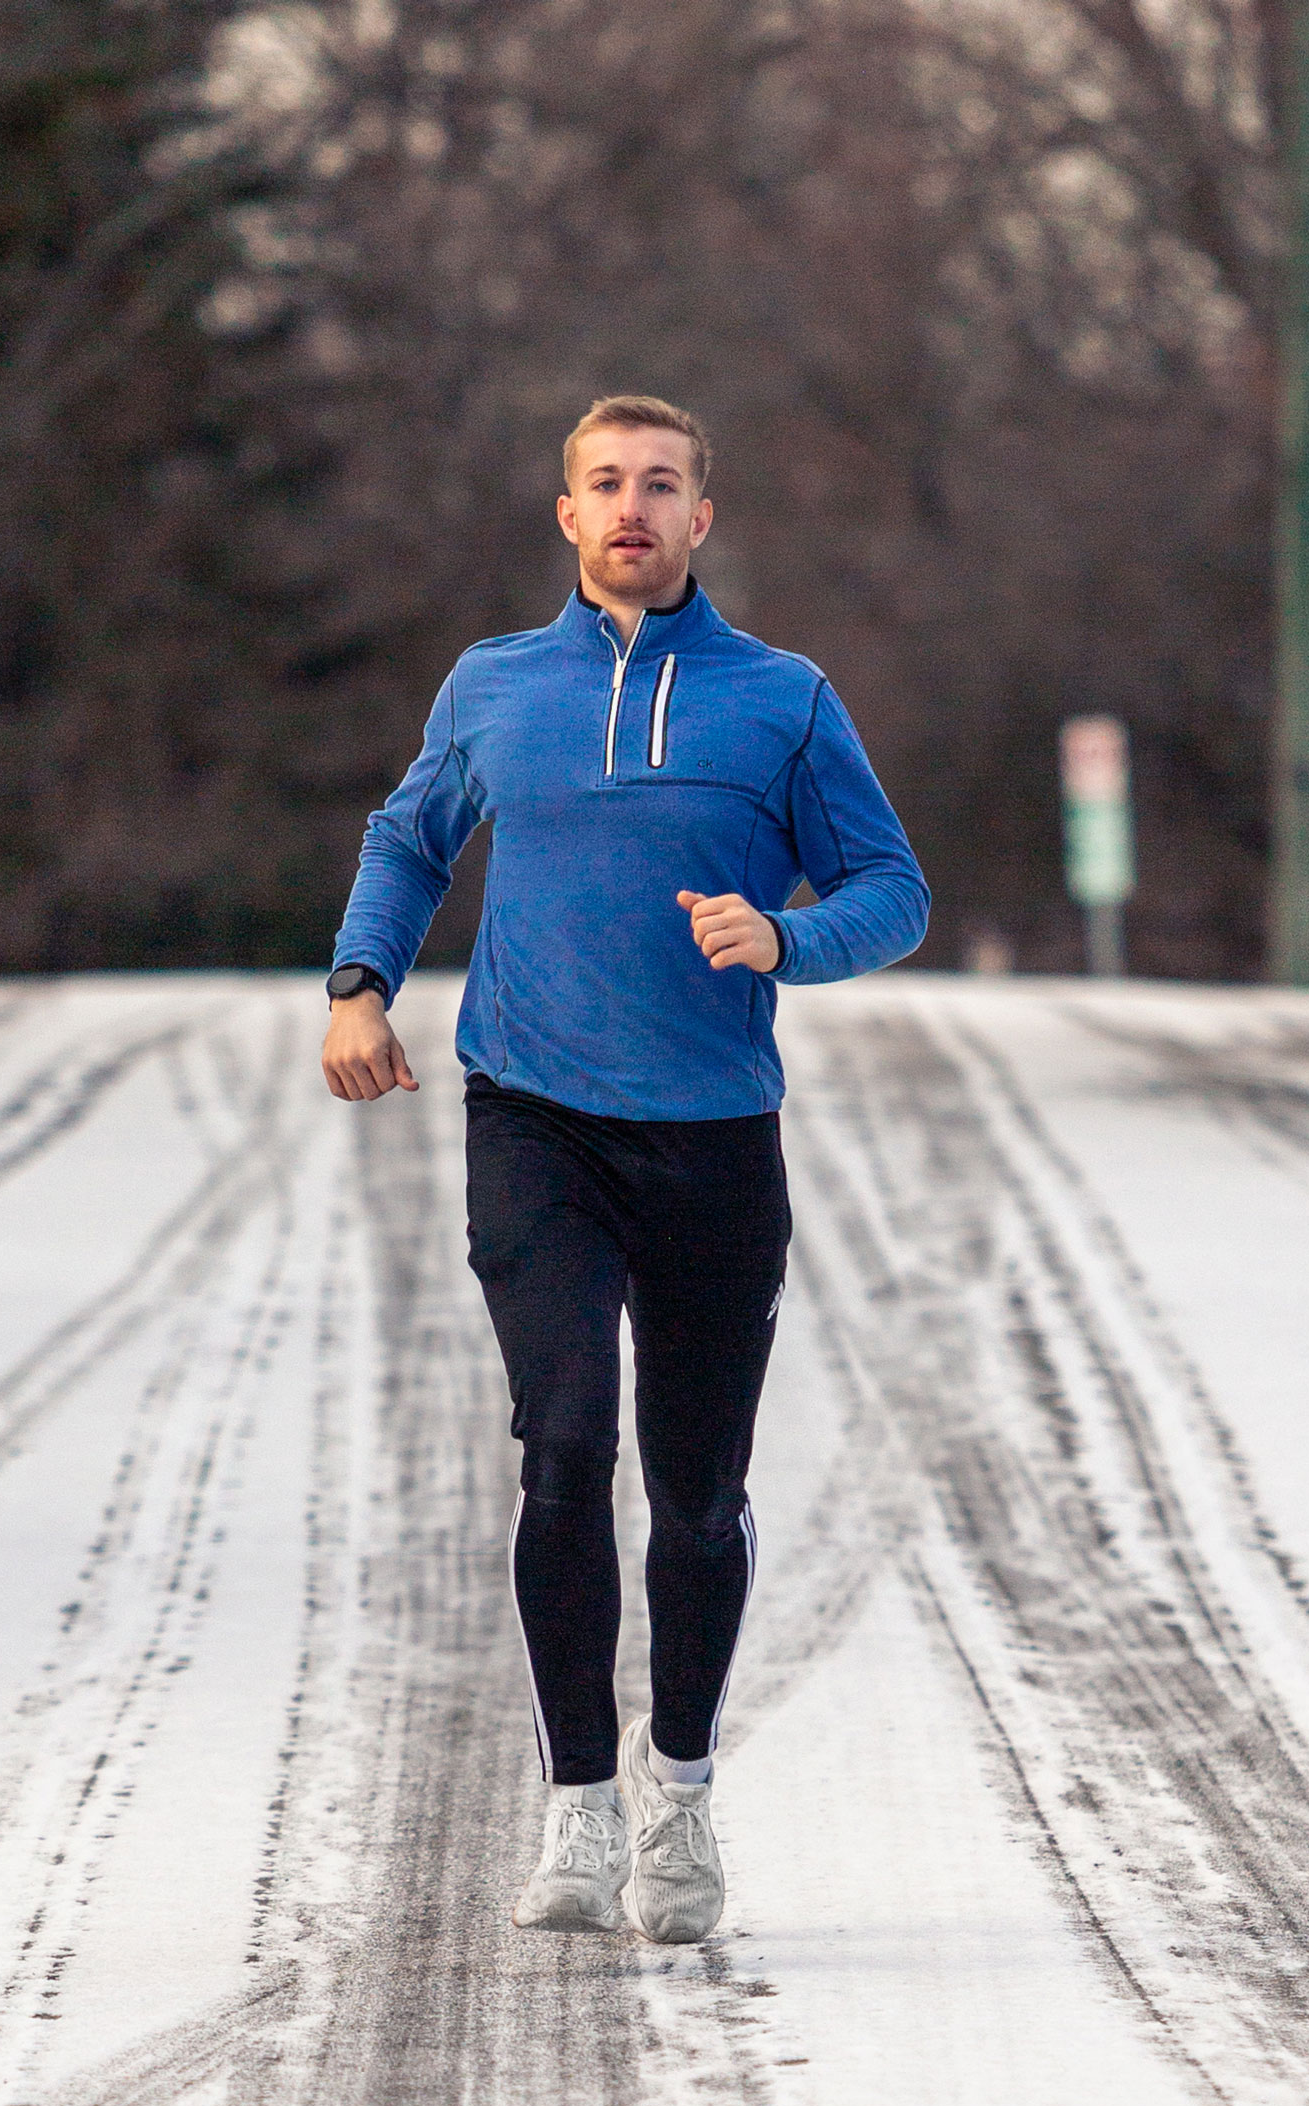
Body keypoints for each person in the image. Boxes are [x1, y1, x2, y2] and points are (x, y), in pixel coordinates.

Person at [321, 394, 928, 1942]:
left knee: (700, 1492)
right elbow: (409, 842)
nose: (633, 508)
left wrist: (788, 937)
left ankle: (685, 1797)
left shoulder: (781, 700)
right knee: (565, 1444)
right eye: (607, 484)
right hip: (535, 1117)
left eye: (662, 485)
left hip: (716, 1136)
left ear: (702, 519)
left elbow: (893, 890)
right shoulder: (495, 687)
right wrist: (358, 983)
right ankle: (579, 1812)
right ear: (567, 513)